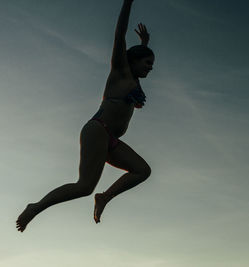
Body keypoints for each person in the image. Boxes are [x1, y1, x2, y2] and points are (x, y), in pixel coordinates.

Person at [16, 0, 154, 232]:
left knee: (142, 170)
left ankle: (105, 197)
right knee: (83, 186)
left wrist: (144, 44)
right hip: (97, 129)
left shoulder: (134, 80)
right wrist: (128, 2)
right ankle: (36, 207)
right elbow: (119, 35)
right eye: (148, 63)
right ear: (133, 60)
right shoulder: (119, 71)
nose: (151, 67)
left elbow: (138, 61)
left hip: (110, 139)